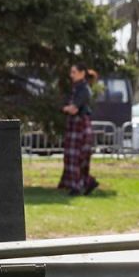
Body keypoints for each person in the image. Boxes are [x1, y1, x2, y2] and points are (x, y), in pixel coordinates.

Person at [58, 63, 99, 196]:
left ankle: (78, 185)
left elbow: (73, 109)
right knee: (71, 156)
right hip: (74, 125)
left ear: (82, 73)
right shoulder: (75, 88)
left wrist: (66, 108)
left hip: (80, 125)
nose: (71, 75)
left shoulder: (84, 89)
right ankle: (84, 183)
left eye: (74, 72)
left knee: (78, 157)